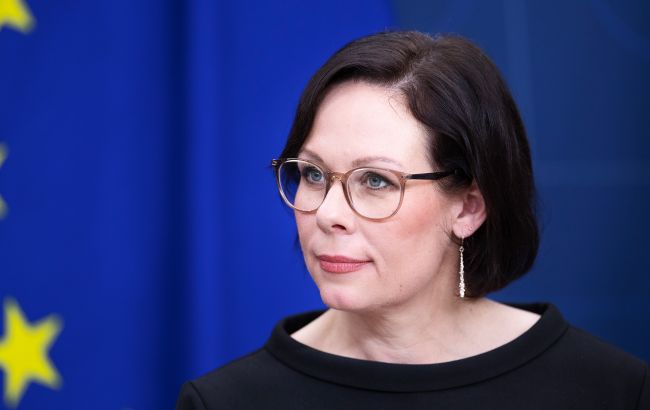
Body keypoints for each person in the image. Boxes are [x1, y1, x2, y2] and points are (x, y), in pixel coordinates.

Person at [175, 31, 649, 409]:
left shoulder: (612, 390)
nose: (328, 214)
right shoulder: (227, 401)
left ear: (468, 207)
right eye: (314, 174)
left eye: (376, 180)